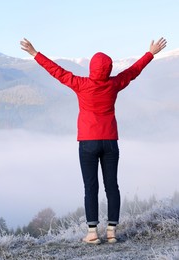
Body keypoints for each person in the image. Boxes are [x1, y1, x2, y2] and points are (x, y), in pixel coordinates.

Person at [20, 37, 167, 244]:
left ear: (91, 68)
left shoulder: (81, 84)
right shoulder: (114, 84)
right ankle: (111, 232)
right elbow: (133, 71)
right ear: (108, 69)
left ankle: (91, 233)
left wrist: (35, 53)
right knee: (112, 186)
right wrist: (150, 53)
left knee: (91, 187)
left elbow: (57, 72)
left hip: (88, 142)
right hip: (110, 142)